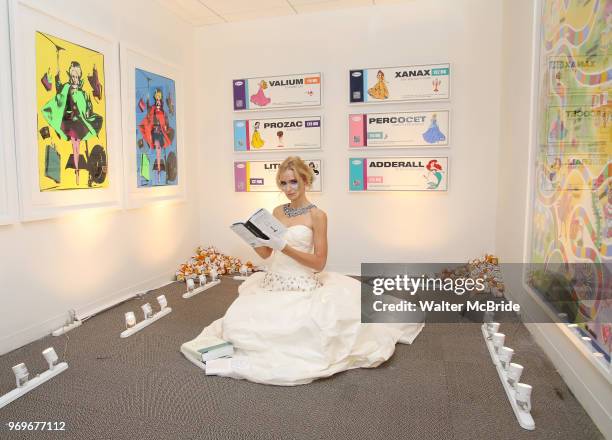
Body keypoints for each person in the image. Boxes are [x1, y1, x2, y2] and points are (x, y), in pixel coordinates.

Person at [182, 156, 424, 386]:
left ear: (306, 181)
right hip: (272, 282)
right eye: (284, 183)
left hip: (301, 284)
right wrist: (253, 240)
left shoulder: (318, 215)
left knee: (306, 332)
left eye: (294, 181)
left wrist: (284, 247)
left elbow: (319, 263)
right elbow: (267, 255)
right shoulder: (276, 212)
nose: (289, 188)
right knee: (236, 324)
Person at [41, 61, 103, 186]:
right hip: (69, 122)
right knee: (75, 145)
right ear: (70, 76)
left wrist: (86, 112)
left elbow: (87, 107)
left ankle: (77, 172)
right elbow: (59, 93)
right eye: (73, 77)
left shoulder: (82, 93)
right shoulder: (66, 88)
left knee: (77, 145)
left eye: (76, 77)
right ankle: (77, 171)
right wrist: (56, 76)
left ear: (79, 77)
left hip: (79, 123)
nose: (74, 79)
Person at [139, 89, 172, 185]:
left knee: (158, 151)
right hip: (153, 133)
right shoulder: (153, 108)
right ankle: (154, 171)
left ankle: (158, 170)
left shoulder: (162, 110)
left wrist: (165, 127)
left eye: (159, 97)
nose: (158, 99)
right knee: (154, 150)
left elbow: (164, 122)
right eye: (157, 97)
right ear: (155, 97)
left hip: (159, 133)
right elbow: (148, 117)